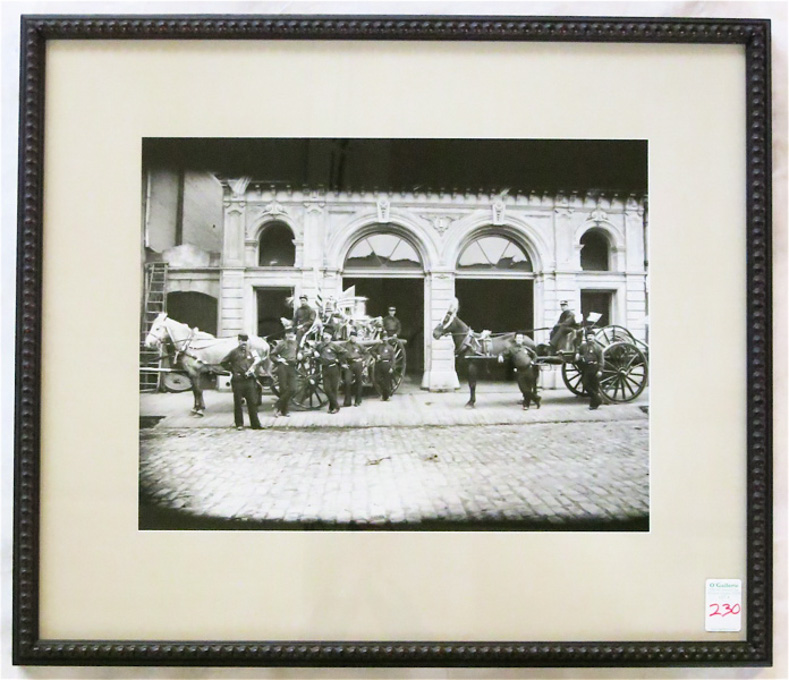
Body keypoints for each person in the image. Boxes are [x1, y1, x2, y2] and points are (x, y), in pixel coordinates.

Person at [220, 333, 263, 430]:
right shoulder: (233, 352)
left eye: (245, 340)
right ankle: (239, 424)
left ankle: (255, 424)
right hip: (238, 381)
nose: (243, 343)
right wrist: (233, 370)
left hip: (249, 380)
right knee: (238, 403)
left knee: (252, 402)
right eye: (241, 340)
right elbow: (223, 363)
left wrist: (253, 370)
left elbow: (256, 364)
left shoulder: (252, 352)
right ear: (238, 341)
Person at [498, 333, 541, 410]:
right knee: (523, 389)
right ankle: (536, 398)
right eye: (518, 338)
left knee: (528, 388)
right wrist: (500, 356)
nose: (519, 340)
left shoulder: (526, 348)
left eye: (520, 338)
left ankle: (526, 405)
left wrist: (533, 362)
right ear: (515, 340)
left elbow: (535, 355)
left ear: (522, 340)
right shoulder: (511, 349)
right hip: (520, 371)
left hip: (529, 369)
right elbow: (504, 353)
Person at [270, 329, 300, 417]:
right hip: (283, 366)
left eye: (292, 333)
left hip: (292, 367)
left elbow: (299, 353)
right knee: (283, 389)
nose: (290, 335)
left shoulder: (296, 344)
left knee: (293, 388)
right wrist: (279, 360)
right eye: (288, 333)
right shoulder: (281, 344)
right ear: (286, 335)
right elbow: (272, 355)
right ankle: (284, 411)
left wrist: (301, 355)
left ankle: (277, 405)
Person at [314, 329, 345, 414]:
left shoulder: (334, 346)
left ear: (331, 336)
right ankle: (336, 406)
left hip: (334, 368)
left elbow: (344, 352)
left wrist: (339, 360)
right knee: (327, 389)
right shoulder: (320, 346)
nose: (326, 336)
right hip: (325, 369)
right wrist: (315, 353)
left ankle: (332, 407)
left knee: (334, 389)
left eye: (328, 335)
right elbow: (314, 350)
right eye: (325, 334)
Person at [576, 328, 605, 410]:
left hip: (595, 367)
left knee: (594, 386)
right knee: (585, 384)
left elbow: (601, 360)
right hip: (587, 368)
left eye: (591, 336)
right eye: (588, 336)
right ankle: (598, 398)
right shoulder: (583, 346)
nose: (590, 338)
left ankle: (594, 404)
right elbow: (578, 350)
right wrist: (578, 354)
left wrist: (600, 370)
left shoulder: (598, 347)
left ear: (594, 337)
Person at [342, 330, 367, 407]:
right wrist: (343, 363)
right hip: (349, 365)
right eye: (352, 337)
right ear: (349, 337)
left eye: (354, 337)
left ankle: (358, 400)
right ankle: (347, 401)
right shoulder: (345, 345)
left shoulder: (359, 346)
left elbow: (366, 353)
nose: (353, 338)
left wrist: (362, 360)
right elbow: (340, 354)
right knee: (347, 382)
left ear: (356, 337)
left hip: (358, 364)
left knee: (359, 382)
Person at [372, 332, 396, 401]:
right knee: (378, 379)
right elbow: (372, 350)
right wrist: (376, 355)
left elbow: (393, 358)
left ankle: (386, 396)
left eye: (386, 338)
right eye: (383, 338)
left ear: (387, 338)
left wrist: (392, 367)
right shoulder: (378, 346)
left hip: (387, 364)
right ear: (382, 339)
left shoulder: (390, 347)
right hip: (379, 364)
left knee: (387, 380)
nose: (384, 339)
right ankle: (386, 391)